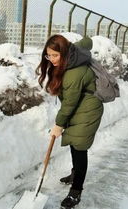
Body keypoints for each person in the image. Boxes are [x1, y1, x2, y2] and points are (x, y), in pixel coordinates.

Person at [36, 34, 104, 208]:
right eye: (48, 55)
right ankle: (75, 174)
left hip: (88, 111)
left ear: (65, 53)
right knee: (74, 143)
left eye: (55, 55)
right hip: (79, 108)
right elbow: (86, 42)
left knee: (79, 146)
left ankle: (76, 191)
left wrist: (58, 124)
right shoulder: (72, 54)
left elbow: (69, 103)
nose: (51, 60)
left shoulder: (74, 73)